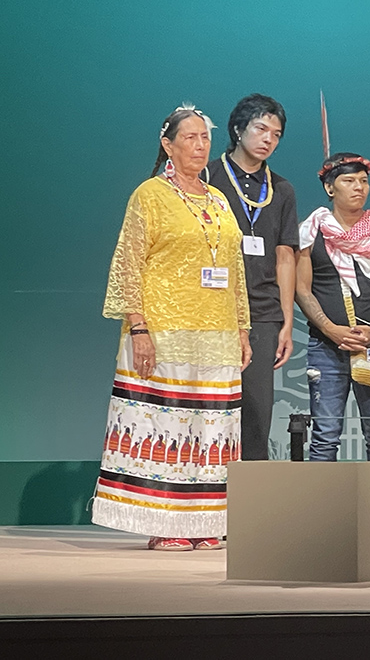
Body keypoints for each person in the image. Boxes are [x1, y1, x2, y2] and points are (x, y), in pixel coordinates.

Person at [93, 104, 252, 551]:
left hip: (216, 333)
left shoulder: (218, 198)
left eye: (205, 137)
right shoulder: (150, 195)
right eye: (190, 137)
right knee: (169, 426)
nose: (200, 146)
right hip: (164, 331)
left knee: (212, 428)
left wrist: (241, 328)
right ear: (168, 144)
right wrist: (138, 327)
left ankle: (205, 522)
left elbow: (235, 268)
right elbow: (128, 263)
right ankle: (165, 521)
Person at [296, 153, 370, 461]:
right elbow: (302, 289)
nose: (358, 187)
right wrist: (332, 330)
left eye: (364, 181)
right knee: (324, 437)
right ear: (330, 188)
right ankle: (323, 510)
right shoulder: (311, 230)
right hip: (326, 346)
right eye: (349, 181)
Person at [206, 94, 298, 461]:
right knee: (209, 410)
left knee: (257, 414)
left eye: (276, 135)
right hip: (211, 311)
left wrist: (287, 322)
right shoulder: (207, 178)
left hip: (262, 314)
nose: (268, 140)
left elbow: (285, 256)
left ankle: (252, 507)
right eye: (261, 129)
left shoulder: (282, 189)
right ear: (238, 128)